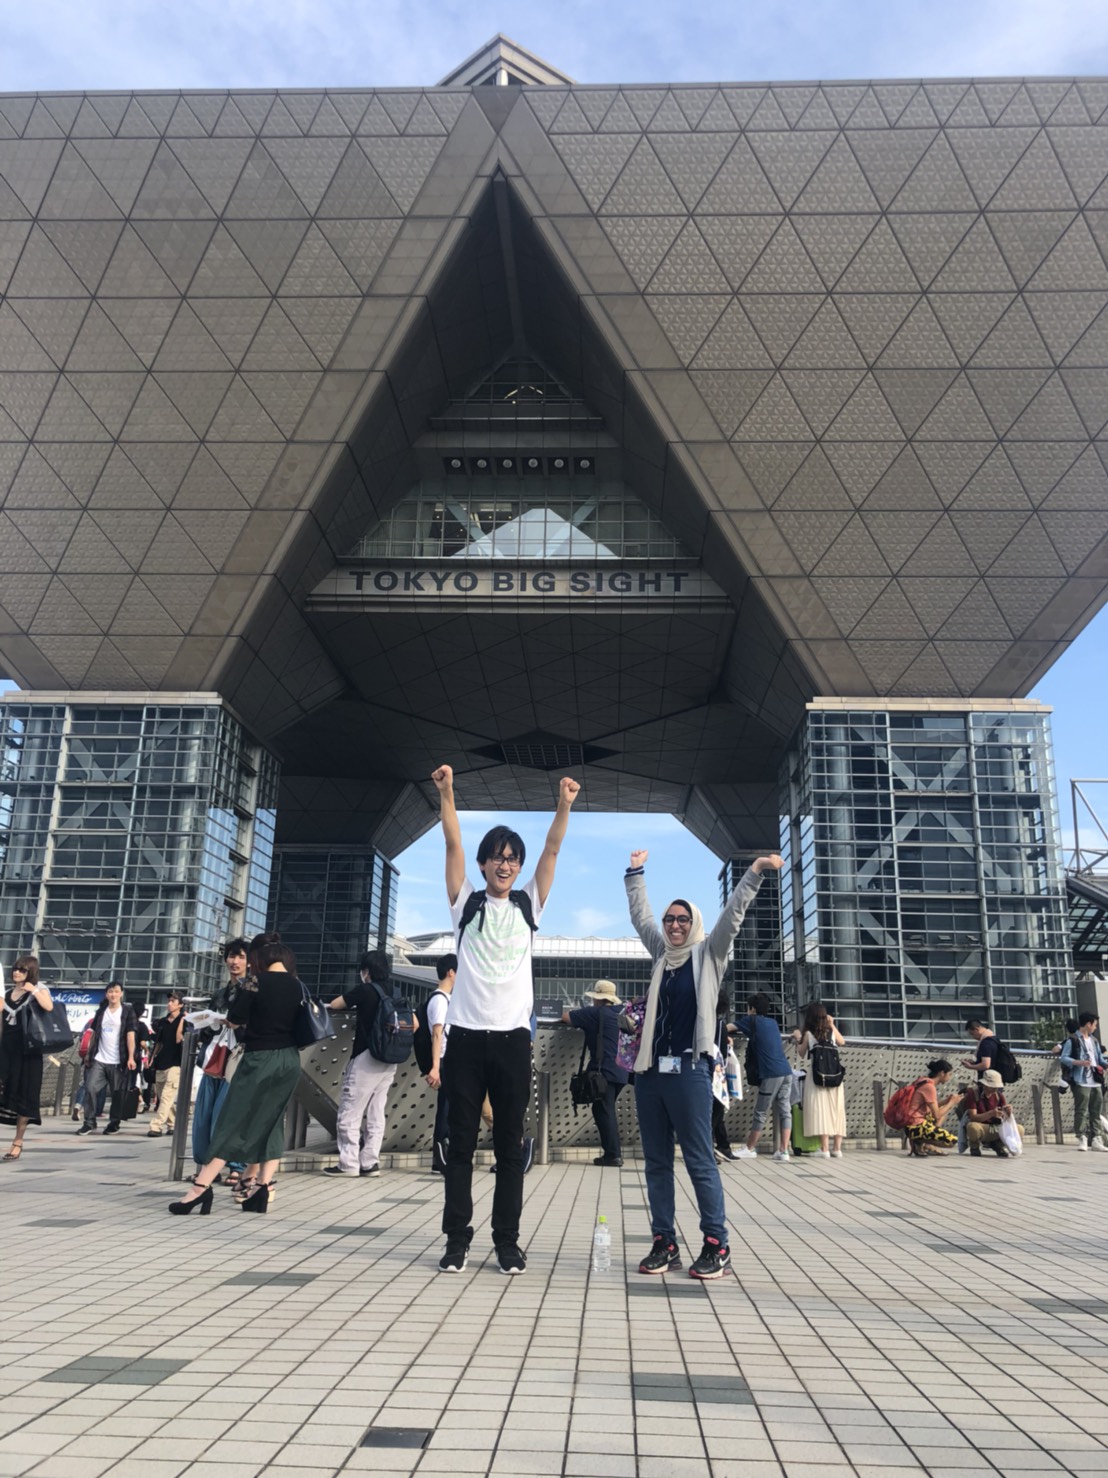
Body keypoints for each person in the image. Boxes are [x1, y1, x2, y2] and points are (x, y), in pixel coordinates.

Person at [432, 762, 580, 1276]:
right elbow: (452, 845)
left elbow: (553, 850)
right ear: (485, 862)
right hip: (467, 1039)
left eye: (512, 859)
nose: (506, 865)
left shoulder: (527, 905)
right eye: (497, 858)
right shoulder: (465, 903)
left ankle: (507, 1241)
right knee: (461, 1143)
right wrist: (448, 794)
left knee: (511, 1145)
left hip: (514, 1040)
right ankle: (456, 1238)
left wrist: (563, 804)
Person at [626, 848, 785, 1280]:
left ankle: (717, 1244)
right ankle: (665, 1242)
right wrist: (636, 873)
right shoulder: (661, 955)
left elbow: (733, 915)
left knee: (699, 1159)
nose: (674, 926)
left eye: (682, 920)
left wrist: (754, 872)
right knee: (656, 1162)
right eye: (669, 920)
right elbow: (641, 917)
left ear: (693, 924)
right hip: (650, 1074)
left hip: (690, 1070)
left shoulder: (709, 954)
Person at [169, 931, 303, 1215]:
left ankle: (200, 1189)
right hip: (290, 1060)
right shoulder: (298, 986)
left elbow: (236, 1018)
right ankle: (261, 1189)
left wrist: (228, 1019)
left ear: (258, 957)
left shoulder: (254, 981)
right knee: (272, 1121)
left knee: (233, 1119)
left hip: (259, 1059)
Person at [322, 950, 397, 1179]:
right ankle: (370, 1162)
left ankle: (348, 1163)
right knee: (376, 1112)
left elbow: (335, 1004)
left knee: (350, 1112)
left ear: (366, 971)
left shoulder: (365, 990)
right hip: (389, 1058)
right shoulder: (394, 991)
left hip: (366, 1056)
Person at [192, 939, 250, 1182]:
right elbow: (207, 1030)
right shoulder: (219, 994)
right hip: (215, 1058)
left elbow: (253, 1028)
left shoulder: (252, 989)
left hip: (238, 1059)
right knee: (203, 1117)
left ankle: (236, 1166)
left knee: (225, 1115)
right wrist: (211, 1023)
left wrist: (234, 1023)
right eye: (231, 956)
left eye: (240, 957)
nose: (234, 962)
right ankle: (207, 1166)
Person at [563, 979, 628, 1167]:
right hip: (622, 1070)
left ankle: (613, 1155)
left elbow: (567, 1017)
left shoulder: (595, 1012)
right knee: (603, 1109)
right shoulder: (619, 1013)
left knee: (604, 1110)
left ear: (598, 999)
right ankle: (612, 1152)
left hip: (603, 1071)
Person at [0, 957, 54, 1162]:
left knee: (25, 1095)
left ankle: (18, 1141)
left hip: (29, 1052)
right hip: (7, 1050)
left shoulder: (38, 990)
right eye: (15, 969)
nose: (17, 973)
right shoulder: (5, 994)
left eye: (22, 970)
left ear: (30, 972)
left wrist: (33, 990)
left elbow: (48, 1007)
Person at [734, 992, 794, 1165]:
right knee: (784, 1109)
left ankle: (749, 1148)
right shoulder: (773, 1022)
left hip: (771, 1073)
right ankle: (783, 1151)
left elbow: (728, 1027)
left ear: (751, 1009)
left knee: (761, 1110)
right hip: (786, 1070)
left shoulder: (750, 1020)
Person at [77, 981, 137, 1136]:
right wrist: (88, 1054)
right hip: (100, 1058)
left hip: (119, 1060)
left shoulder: (127, 1011)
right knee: (90, 1087)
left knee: (117, 1093)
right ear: (106, 994)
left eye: (116, 991)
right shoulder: (102, 1011)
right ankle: (89, 1122)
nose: (113, 994)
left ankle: (114, 1123)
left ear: (121, 993)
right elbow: (93, 1033)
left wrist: (131, 1057)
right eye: (110, 991)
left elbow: (131, 1035)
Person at [795, 1001, 846, 1159]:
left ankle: (824, 1148)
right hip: (835, 1076)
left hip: (817, 1076)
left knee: (821, 1109)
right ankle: (837, 1148)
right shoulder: (831, 1031)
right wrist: (832, 1024)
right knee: (836, 1110)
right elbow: (842, 1042)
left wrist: (798, 1037)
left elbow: (801, 1053)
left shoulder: (809, 1035)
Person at [425, 953, 456, 1176]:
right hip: (445, 1060)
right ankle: (439, 1159)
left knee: (450, 1110)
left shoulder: (446, 999)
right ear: (451, 972)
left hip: (448, 1060)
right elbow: (437, 1034)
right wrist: (435, 1067)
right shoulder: (439, 1000)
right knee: (445, 1111)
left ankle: (443, 1156)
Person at [1060, 1012, 1108, 1151]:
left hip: (1095, 1080)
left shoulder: (1094, 1041)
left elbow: (1099, 1059)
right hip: (1080, 1079)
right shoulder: (1073, 1040)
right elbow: (1064, 1058)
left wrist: (1105, 1066)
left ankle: (1096, 1139)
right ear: (1088, 1024)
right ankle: (1082, 1137)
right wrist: (1079, 1062)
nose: (1095, 1028)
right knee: (1081, 1110)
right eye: (1094, 1025)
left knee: (1096, 1110)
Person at [904, 1059, 963, 1157]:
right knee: (951, 1141)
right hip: (915, 1126)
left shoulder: (923, 1081)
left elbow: (929, 1107)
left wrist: (946, 1101)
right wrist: (952, 1103)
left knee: (943, 1113)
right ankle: (919, 1141)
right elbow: (936, 1114)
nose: (950, 1078)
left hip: (910, 1123)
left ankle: (924, 1144)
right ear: (942, 1073)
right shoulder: (929, 1087)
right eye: (949, 1074)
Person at [147, 990, 185, 1137]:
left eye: (173, 1001)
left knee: (167, 1096)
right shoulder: (162, 1022)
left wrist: (181, 1021)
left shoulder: (185, 1020)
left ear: (180, 1004)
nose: (169, 1004)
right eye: (168, 1001)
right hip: (161, 1062)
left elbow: (178, 1039)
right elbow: (159, 1042)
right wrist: (152, 1057)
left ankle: (156, 1125)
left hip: (176, 1063)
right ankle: (173, 1124)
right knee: (164, 1097)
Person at [962, 1069, 1022, 1157]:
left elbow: (1003, 1117)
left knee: (1020, 1129)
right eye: (992, 1087)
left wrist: (1008, 1112)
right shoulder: (973, 1093)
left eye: (996, 1087)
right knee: (972, 1126)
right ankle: (974, 1146)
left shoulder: (999, 1096)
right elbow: (973, 1117)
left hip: (996, 1127)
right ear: (984, 1085)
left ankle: (998, 1145)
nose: (994, 1089)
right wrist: (991, 1113)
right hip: (982, 1127)